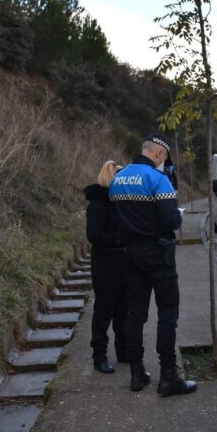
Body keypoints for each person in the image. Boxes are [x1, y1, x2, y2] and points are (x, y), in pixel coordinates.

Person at [109, 134, 196, 396]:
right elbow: (170, 219)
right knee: (168, 314)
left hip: (130, 254)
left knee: (135, 314)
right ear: (159, 154)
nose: (164, 162)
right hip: (158, 255)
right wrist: (176, 215)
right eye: (164, 158)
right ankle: (168, 376)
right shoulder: (159, 180)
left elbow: (115, 219)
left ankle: (137, 373)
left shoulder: (117, 179)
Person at [84, 161, 129, 373]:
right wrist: (120, 238)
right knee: (103, 313)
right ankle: (99, 356)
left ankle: (123, 351)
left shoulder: (120, 202)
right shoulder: (98, 204)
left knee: (123, 311)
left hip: (123, 265)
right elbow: (93, 235)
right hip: (105, 267)